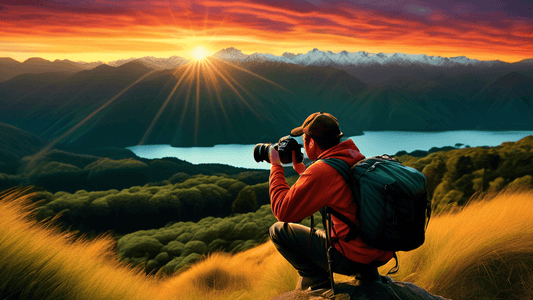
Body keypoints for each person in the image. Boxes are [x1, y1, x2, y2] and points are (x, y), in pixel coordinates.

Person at [268, 112, 394, 291]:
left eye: (304, 139)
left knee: (278, 231)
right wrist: (301, 169)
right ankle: (368, 276)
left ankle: (317, 282)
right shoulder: (354, 156)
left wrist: (275, 166)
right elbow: (333, 187)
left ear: (311, 141)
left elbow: (283, 211)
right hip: (381, 252)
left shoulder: (322, 170)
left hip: (352, 258)